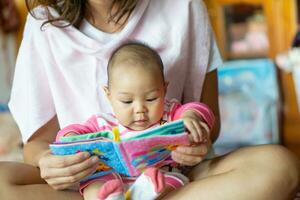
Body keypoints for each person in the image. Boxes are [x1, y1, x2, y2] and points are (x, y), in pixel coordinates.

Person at [0, 0, 299, 199]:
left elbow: (208, 120)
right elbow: (38, 146)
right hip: (90, 187)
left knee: (279, 165)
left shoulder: (184, 6)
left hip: (173, 178)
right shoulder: (44, 25)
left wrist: (197, 137)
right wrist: (49, 163)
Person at [55, 42, 215, 200]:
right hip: (113, 179)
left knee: (175, 181)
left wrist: (191, 116)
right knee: (92, 184)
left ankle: (143, 193)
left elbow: (200, 110)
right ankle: (111, 197)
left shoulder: (170, 114)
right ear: (108, 94)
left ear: (164, 90)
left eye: (151, 98)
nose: (140, 109)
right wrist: (69, 136)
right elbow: (74, 133)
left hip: (159, 177)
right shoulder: (102, 123)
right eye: (127, 101)